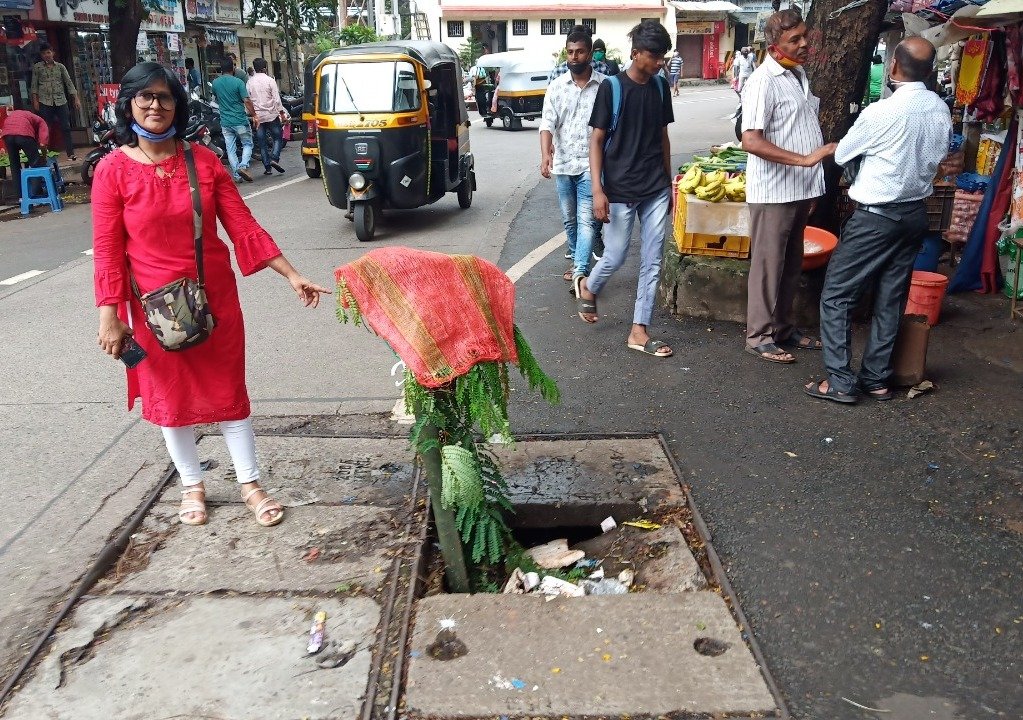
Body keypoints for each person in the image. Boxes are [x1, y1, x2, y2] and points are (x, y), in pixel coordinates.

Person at [91, 62, 329, 527]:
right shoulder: (111, 172)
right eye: (145, 97)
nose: (155, 105)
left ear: (177, 104)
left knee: (228, 391)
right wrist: (109, 316)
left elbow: (241, 224)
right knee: (171, 398)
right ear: (129, 104)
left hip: (213, 298)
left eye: (165, 97)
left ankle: (250, 484)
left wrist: (291, 274)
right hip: (156, 309)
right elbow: (107, 250)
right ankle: (192, 485)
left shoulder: (202, 161)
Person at [806, 38, 951, 404]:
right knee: (890, 298)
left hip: (876, 218)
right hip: (914, 214)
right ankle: (876, 380)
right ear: (930, 72)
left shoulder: (881, 112)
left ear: (894, 69)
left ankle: (839, 381)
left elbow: (844, 153)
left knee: (837, 295)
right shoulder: (939, 109)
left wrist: (828, 149)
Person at [740, 10, 836, 364]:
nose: (804, 43)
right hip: (774, 191)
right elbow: (751, 139)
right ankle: (759, 336)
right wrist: (805, 161)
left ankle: (783, 327)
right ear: (774, 45)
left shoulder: (796, 74)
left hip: (798, 190)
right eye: (794, 39)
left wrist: (810, 182)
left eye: (805, 36)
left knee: (791, 264)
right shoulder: (764, 80)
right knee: (768, 266)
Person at [576, 20, 675, 358]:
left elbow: (662, 136)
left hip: (656, 187)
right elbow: (597, 140)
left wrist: (669, 179)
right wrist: (598, 190)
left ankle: (639, 330)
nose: (660, 62)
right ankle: (589, 285)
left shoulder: (661, 88)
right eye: (654, 56)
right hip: (618, 189)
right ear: (636, 54)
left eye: (663, 56)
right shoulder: (612, 89)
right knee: (616, 255)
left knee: (652, 259)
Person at [540, 25, 605, 285]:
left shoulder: (605, 86)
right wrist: (546, 154)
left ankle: (580, 270)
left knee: (586, 221)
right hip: (564, 163)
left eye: (579, 52)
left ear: (589, 53)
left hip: (592, 164)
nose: (574, 57)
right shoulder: (556, 87)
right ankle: (584, 254)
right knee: (570, 220)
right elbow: (547, 123)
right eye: (570, 52)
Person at [31, 43, 79, 162]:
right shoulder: (38, 67)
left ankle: (70, 154)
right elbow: (34, 85)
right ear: (41, 55)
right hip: (45, 101)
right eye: (44, 53)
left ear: (53, 53)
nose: (46, 55)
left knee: (66, 127)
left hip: (60, 100)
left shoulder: (60, 67)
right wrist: (35, 101)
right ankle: (43, 154)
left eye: (48, 52)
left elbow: (68, 82)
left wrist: (76, 98)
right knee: (45, 128)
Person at [212, 57, 256, 183]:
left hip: (225, 123)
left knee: (230, 149)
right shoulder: (238, 82)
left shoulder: (215, 83)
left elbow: (216, 98)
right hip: (240, 121)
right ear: (233, 68)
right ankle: (243, 166)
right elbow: (247, 101)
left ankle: (237, 176)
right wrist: (254, 115)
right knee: (247, 144)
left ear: (221, 69)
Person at [1, 103, 49, 202]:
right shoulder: (39, 120)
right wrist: (43, 155)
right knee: (36, 164)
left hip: (7, 136)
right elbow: (43, 143)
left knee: (14, 166)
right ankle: (34, 195)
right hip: (23, 134)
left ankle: (20, 197)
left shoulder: (17, 115)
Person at [247, 58, 287, 175]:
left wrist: (252, 114)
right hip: (271, 115)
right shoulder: (270, 80)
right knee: (278, 138)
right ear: (265, 68)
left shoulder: (250, 82)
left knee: (262, 142)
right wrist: (282, 113)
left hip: (258, 117)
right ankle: (274, 158)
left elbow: (247, 99)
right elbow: (276, 99)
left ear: (254, 68)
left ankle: (267, 168)